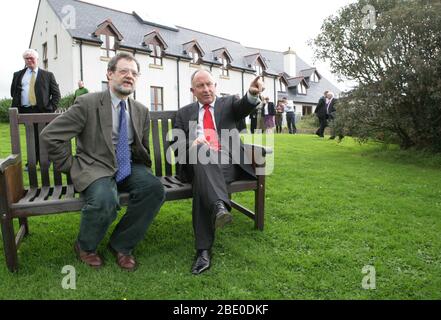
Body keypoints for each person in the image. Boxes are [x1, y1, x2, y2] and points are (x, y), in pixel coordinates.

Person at [41, 53, 165, 271]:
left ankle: (122, 244)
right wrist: (70, 166)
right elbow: (51, 135)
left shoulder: (141, 110)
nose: (130, 76)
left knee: (154, 189)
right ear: (110, 74)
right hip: (95, 165)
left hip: (127, 165)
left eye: (134, 73)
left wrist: (142, 169)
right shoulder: (87, 103)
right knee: (104, 199)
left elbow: (141, 145)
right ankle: (85, 246)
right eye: (124, 71)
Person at [173, 69, 265, 275]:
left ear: (215, 86)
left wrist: (252, 94)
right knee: (200, 152)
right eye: (200, 86)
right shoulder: (184, 113)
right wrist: (192, 143)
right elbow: (176, 145)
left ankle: (203, 251)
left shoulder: (229, 104)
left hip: (227, 163)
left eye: (209, 84)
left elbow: (244, 107)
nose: (206, 89)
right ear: (192, 90)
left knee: (202, 182)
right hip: (195, 160)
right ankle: (219, 206)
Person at [10, 49, 61, 165]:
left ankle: (45, 162)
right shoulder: (18, 75)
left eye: (31, 58)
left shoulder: (48, 75)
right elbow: (13, 92)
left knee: (43, 137)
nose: (29, 60)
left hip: (43, 111)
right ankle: (32, 162)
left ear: (37, 59)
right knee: (30, 138)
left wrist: (51, 108)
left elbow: (56, 94)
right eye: (26, 58)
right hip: (25, 111)